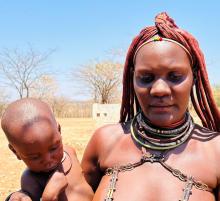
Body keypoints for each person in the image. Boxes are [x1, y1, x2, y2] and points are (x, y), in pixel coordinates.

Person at [81, 12, 220, 201]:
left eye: (175, 76)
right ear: (132, 78)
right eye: (146, 78)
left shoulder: (215, 151)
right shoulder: (105, 141)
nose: (159, 90)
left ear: (194, 77)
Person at [1, 98, 94, 201]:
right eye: (35, 157)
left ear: (59, 131)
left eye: (53, 148)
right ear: (15, 152)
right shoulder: (31, 180)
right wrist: (49, 197)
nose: (48, 160)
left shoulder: (70, 152)